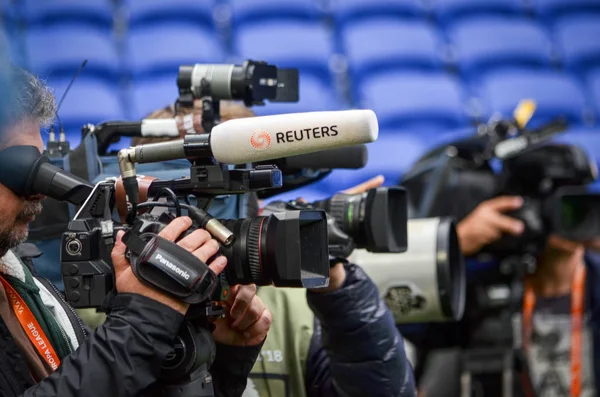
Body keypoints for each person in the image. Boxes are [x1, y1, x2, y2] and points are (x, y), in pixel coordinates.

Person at [0, 68, 272, 396]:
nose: (39, 192)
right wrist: (141, 323)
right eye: (23, 171)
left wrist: (211, 359)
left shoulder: (23, 283)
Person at [124, 103, 417, 397]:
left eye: (226, 196)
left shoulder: (296, 308)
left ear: (256, 201)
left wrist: (339, 288)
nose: (203, 220)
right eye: (182, 200)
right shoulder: (102, 308)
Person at [418, 194, 600, 397]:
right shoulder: (482, 285)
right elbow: (399, 321)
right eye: (559, 205)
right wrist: (451, 247)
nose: (569, 219)